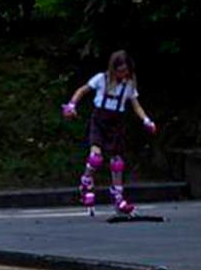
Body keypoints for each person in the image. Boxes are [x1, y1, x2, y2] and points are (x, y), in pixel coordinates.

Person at [61, 50, 157, 216]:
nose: (123, 74)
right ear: (113, 69)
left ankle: (118, 197)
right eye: (120, 70)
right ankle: (86, 182)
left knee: (117, 161)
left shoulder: (128, 85)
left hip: (116, 123)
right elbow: (82, 90)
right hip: (99, 120)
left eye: (126, 71)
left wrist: (147, 120)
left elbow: (136, 105)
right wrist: (72, 105)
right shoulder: (101, 79)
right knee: (96, 157)